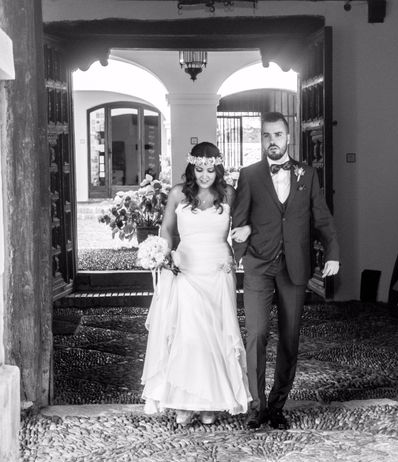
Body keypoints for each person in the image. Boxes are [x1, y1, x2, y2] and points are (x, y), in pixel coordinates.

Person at [231, 112, 340, 430]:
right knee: (257, 333)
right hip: (259, 265)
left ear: (288, 137)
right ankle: (256, 405)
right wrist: (236, 253)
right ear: (261, 139)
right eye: (266, 135)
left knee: (289, 338)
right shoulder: (249, 175)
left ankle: (278, 405)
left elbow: (321, 216)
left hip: (295, 267)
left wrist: (332, 253)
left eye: (277, 134)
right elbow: (240, 219)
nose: (272, 141)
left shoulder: (308, 173)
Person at [141, 142, 251, 425]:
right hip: (185, 268)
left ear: (218, 169)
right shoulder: (178, 193)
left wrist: (237, 255)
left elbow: (242, 226)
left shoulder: (228, 193)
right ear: (192, 168)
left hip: (217, 268)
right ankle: (183, 400)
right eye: (199, 169)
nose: (204, 175)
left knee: (214, 334)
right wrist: (163, 253)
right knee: (188, 334)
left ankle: (211, 402)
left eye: (210, 170)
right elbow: (167, 227)